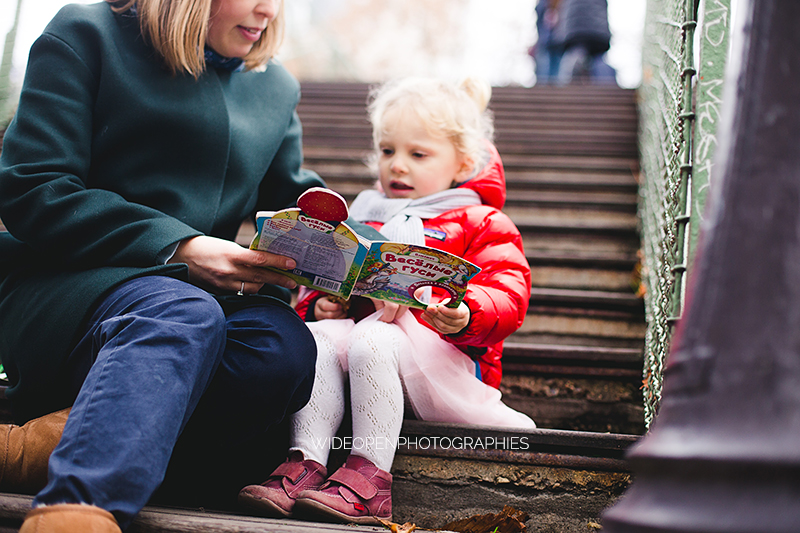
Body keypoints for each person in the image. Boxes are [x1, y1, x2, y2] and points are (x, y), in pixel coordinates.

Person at [0, 0, 326, 531]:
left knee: (280, 346)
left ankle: (44, 447)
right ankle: (77, 507)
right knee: (182, 310)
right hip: (70, 289)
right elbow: (35, 186)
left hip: (200, 312)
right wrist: (182, 247)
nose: (269, 9)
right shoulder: (86, 33)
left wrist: (369, 264)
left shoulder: (275, 88)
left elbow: (296, 198)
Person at [238, 77, 536, 525]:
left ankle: (370, 477)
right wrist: (320, 304)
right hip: (368, 354)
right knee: (315, 338)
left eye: (418, 154)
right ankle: (306, 462)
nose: (398, 165)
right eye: (387, 150)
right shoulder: (363, 214)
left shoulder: (482, 221)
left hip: (447, 365)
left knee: (374, 337)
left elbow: (508, 293)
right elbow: (328, 283)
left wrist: (465, 311)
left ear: (462, 163)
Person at [552, 0, 617, 85]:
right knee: (599, 62)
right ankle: (607, 88)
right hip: (598, 30)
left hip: (575, 30)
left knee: (573, 59)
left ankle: (566, 88)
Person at [531, 0, 563, 84]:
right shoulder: (542, 4)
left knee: (556, 70)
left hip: (558, 42)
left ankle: (555, 90)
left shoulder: (562, 5)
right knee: (544, 70)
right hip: (545, 42)